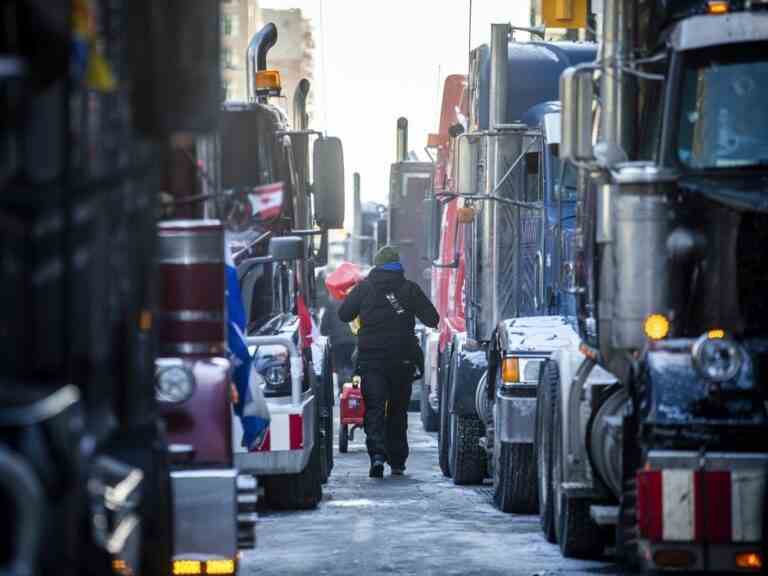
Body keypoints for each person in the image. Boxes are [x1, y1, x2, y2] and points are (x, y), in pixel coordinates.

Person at [338, 246, 439, 478]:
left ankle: (377, 457)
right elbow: (432, 318)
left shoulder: (363, 288)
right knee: (397, 411)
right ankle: (397, 461)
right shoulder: (409, 288)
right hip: (401, 359)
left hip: (371, 360)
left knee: (374, 408)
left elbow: (344, 315)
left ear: (376, 265)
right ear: (397, 266)